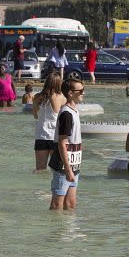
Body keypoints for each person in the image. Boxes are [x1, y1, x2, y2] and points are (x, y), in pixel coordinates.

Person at [49, 78, 84, 211]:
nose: (83, 93)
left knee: (70, 204)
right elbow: (62, 142)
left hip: (74, 162)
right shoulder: (66, 114)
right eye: (80, 91)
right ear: (70, 93)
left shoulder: (74, 110)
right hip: (64, 164)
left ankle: (68, 231)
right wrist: (68, 169)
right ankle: (54, 231)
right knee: (57, 204)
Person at [32, 74, 65, 172]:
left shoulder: (37, 97)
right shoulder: (61, 97)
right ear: (59, 84)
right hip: (54, 136)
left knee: (40, 169)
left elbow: (35, 116)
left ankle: (38, 187)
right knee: (56, 170)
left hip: (40, 135)